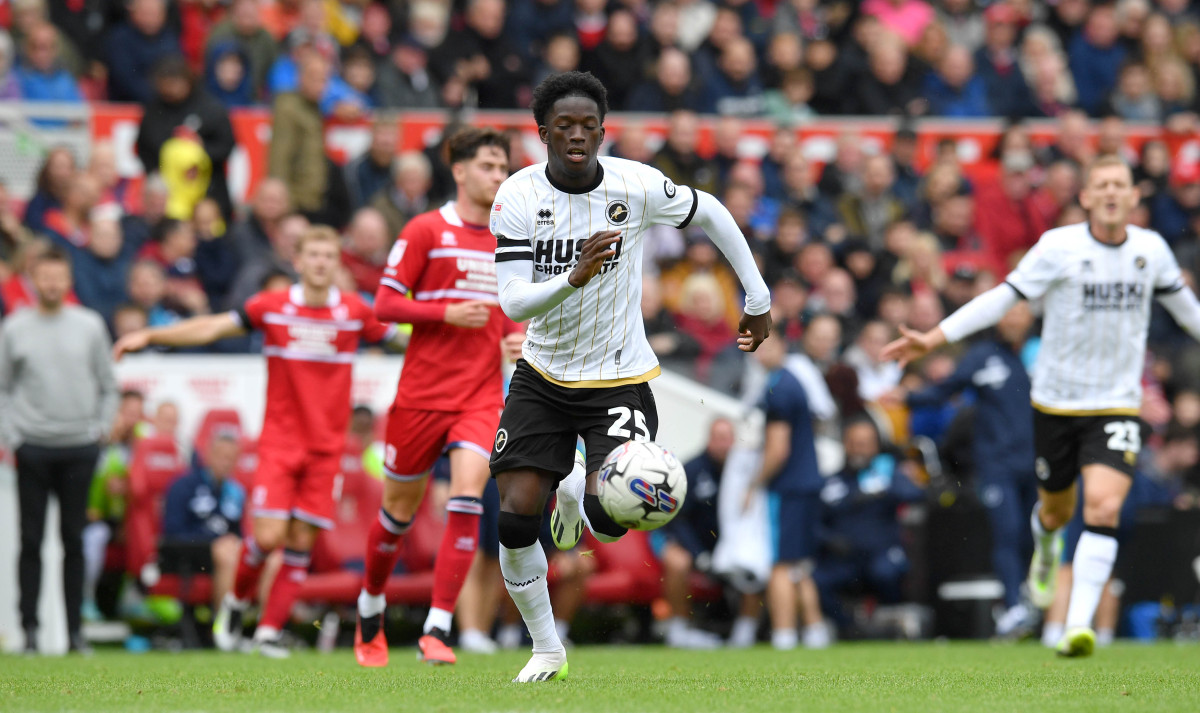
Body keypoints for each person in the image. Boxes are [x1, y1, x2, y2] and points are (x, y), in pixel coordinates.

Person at [487, 71, 771, 682]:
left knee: (614, 522)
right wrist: (575, 276)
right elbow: (511, 303)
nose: (577, 135)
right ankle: (546, 647)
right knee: (513, 517)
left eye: (589, 125)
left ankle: (577, 492)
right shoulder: (515, 196)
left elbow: (713, 211)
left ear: (603, 132)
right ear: (542, 132)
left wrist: (757, 297)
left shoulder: (634, 184)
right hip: (542, 373)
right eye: (564, 125)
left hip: (618, 377)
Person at [882, 155, 1200, 657]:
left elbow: (1190, 314)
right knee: (1055, 510)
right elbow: (1003, 297)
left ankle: (1077, 625)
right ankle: (1047, 547)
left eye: (1122, 184)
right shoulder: (1059, 247)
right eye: (1103, 185)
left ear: (1135, 197)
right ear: (1087, 197)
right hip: (1055, 403)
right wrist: (936, 337)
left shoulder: (1151, 251)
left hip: (1116, 403)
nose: (1113, 192)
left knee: (1104, 504)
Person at [113, 226, 397, 657]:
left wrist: (473, 337)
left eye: (328, 255)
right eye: (313, 254)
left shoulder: (356, 311)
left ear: (337, 262)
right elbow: (210, 327)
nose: (321, 262)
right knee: (266, 537)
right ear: (297, 262)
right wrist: (152, 336)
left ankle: (267, 630)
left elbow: (409, 336)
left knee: (300, 542)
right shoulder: (274, 306)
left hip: (327, 449)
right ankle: (237, 601)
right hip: (281, 444)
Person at [353, 127, 522, 668]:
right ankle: (370, 602)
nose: (497, 177)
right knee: (397, 514)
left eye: (503, 168)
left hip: (478, 397)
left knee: (468, 496)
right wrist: (441, 312)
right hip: (421, 397)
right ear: (460, 171)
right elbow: (382, 304)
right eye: (489, 167)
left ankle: (437, 627)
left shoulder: (508, 239)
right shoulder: (427, 229)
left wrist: (516, 337)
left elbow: (511, 311)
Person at [893, 302, 1038, 636]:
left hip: (1035, 460)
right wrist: (908, 398)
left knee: (1034, 536)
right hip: (996, 463)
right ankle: (1013, 606)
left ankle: (1035, 600)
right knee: (1007, 531)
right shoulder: (982, 355)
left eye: (1020, 312)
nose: (1014, 318)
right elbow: (946, 389)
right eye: (1008, 312)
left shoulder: (1042, 353)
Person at [0, 247, 118, 654]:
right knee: (30, 542)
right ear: (32, 280)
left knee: (74, 541)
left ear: (69, 281)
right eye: (44, 276)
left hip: (79, 448)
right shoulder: (15, 327)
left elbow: (109, 384)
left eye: (58, 276)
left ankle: (74, 633)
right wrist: (12, 436)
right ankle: (29, 631)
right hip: (32, 447)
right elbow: (2, 388)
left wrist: (101, 428)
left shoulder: (89, 326)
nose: (51, 283)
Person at [744, 333, 830, 650]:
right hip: (807, 483)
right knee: (799, 563)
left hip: (789, 486)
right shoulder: (792, 382)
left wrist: (754, 484)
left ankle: (783, 634)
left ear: (782, 347)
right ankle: (815, 628)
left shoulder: (779, 388)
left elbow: (778, 449)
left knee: (779, 563)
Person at [653, 418, 746, 649]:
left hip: (722, 547)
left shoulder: (741, 472)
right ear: (710, 439)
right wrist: (699, 554)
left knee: (756, 561)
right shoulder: (690, 469)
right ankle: (678, 629)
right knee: (679, 562)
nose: (723, 444)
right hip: (682, 540)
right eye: (718, 438)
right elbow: (677, 519)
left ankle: (746, 632)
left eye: (727, 438)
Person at [160, 430, 246, 614]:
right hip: (188, 553)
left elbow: (238, 533)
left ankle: (264, 629)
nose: (226, 462)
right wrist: (212, 543)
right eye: (221, 455)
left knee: (270, 558)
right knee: (226, 551)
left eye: (231, 457)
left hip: (225, 551)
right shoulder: (183, 485)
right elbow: (172, 531)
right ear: (208, 454)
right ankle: (224, 627)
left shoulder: (236, 492)